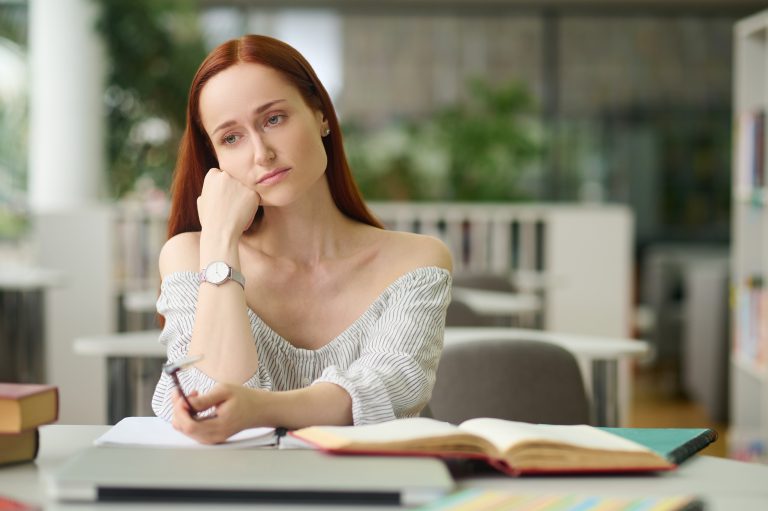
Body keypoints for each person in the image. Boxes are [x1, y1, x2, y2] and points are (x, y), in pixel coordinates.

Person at [151, 34, 453, 444]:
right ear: (216, 160)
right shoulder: (189, 256)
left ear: (321, 115)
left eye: (273, 119)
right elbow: (208, 408)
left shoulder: (416, 261)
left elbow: (387, 390)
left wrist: (260, 408)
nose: (261, 153)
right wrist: (220, 243)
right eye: (231, 138)